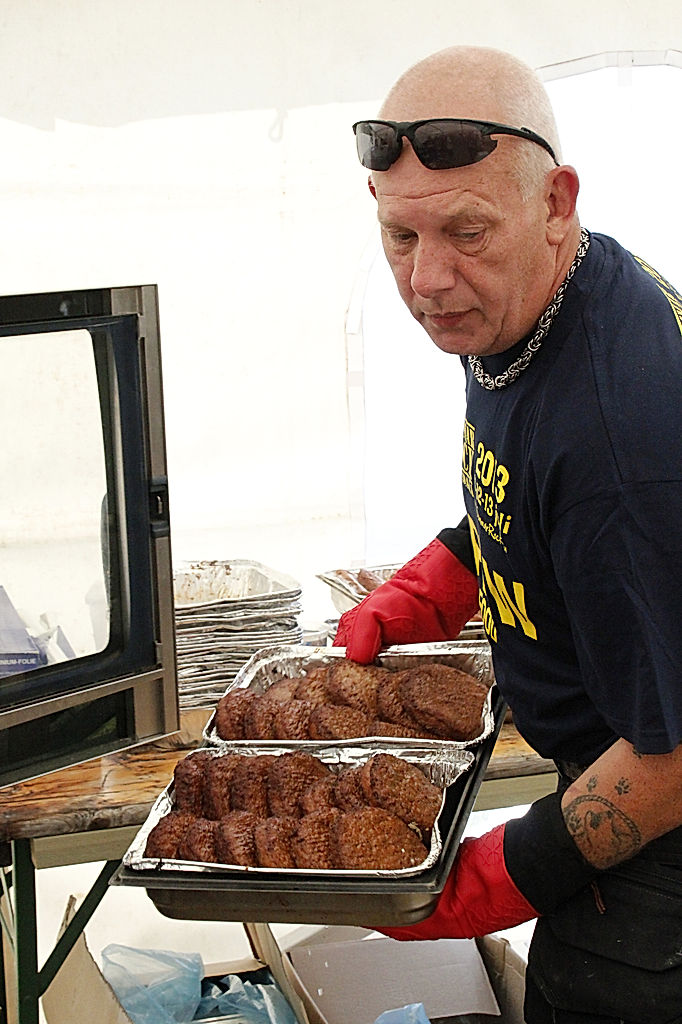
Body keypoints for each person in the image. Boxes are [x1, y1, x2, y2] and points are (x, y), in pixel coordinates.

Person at [335, 45, 682, 1023]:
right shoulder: (526, 302)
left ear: (556, 201)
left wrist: (493, 877)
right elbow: (529, 485)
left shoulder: (627, 435)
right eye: (397, 235)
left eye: (464, 233)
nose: (427, 279)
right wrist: (432, 582)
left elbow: (673, 753)